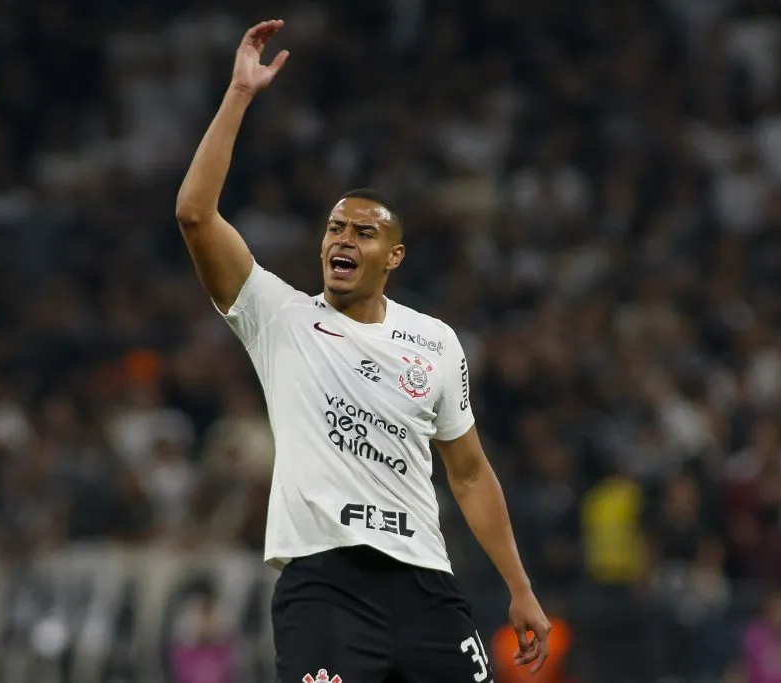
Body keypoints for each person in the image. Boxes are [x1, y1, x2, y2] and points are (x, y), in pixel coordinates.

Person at [175, 19, 551, 683]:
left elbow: (467, 472)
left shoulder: (434, 340)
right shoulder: (279, 315)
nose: (342, 239)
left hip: (426, 584)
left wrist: (518, 585)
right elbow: (196, 215)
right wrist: (239, 94)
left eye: (363, 232)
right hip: (326, 587)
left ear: (393, 255)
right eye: (333, 228)